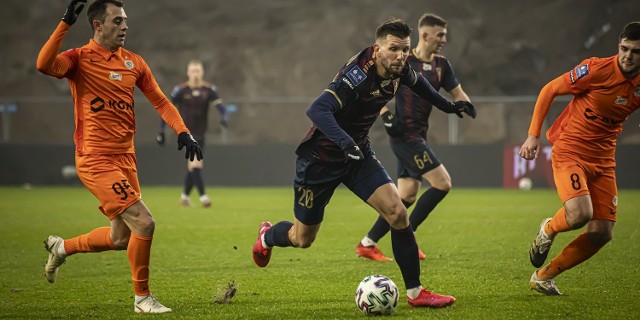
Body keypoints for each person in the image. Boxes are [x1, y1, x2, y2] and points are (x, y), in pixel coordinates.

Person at [251, 18, 475, 308]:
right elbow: (317, 109)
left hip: (358, 155)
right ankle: (268, 236)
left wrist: (448, 105)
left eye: (405, 49)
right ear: (378, 49)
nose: (401, 56)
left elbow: (419, 85)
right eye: (394, 49)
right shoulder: (356, 76)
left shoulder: (400, 66)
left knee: (397, 212)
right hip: (320, 159)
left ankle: (416, 293)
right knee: (302, 238)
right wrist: (345, 143)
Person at [36, 0, 202, 313]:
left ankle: (62, 246)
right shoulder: (79, 59)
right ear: (97, 25)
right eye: (117, 21)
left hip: (126, 158)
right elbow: (44, 65)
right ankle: (142, 299)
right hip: (95, 158)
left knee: (121, 237)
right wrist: (64, 24)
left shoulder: (134, 63)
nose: (124, 26)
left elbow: (162, 102)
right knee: (144, 222)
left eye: (125, 20)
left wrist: (183, 131)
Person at [521, 21, 640, 296]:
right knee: (579, 214)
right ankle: (548, 228)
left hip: (604, 158)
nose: (628, 56)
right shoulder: (597, 69)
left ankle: (543, 276)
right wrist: (532, 135)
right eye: (624, 48)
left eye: (635, 51)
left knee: (601, 232)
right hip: (570, 150)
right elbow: (549, 90)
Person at [356, 13, 473, 262]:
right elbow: (375, 87)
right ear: (426, 34)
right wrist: (385, 114)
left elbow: (458, 93)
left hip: (420, 136)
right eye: (440, 34)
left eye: (445, 34)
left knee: (407, 195)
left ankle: (367, 243)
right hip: (405, 137)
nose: (443, 39)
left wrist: (465, 103)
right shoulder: (402, 60)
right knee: (442, 183)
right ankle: (411, 235)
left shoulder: (443, 65)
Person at [156, 59, 228, 208]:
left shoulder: (209, 90)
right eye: (193, 71)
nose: (195, 74)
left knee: (193, 166)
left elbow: (222, 107)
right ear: (188, 73)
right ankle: (204, 197)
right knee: (196, 164)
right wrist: (161, 131)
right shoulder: (180, 90)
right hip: (185, 133)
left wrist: (224, 118)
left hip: (201, 134)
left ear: (202, 72)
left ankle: (184, 197)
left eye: (198, 71)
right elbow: (166, 109)